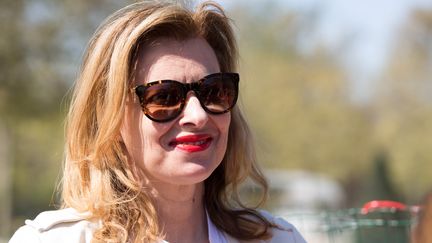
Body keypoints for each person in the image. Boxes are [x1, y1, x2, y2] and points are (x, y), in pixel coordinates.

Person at [9, 1, 306, 242]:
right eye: (164, 97)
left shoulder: (277, 239)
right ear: (108, 117)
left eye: (214, 91)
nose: (198, 115)